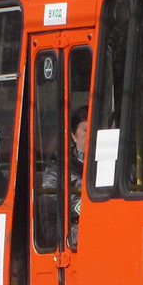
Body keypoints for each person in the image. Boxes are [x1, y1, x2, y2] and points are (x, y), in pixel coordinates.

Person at [41, 105, 87, 246]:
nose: (91, 135)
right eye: (85, 130)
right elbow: (51, 225)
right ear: (73, 135)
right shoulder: (58, 171)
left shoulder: (112, 166)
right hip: (74, 241)